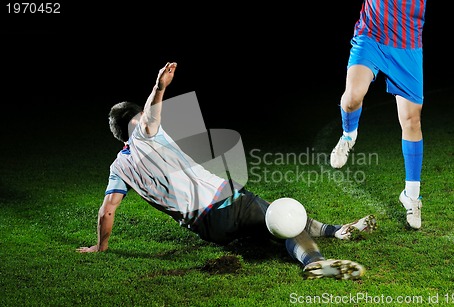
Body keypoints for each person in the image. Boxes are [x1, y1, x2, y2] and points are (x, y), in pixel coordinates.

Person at [76, 61, 377, 280]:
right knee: (285, 219)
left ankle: (336, 231)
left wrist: (100, 247)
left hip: (206, 228)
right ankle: (315, 261)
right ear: (137, 118)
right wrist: (159, 87)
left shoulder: (119, 167)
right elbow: (149, 119)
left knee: (268, 219)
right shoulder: (144, 131)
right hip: (224, 202)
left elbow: (107, 211)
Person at [330, 0, 427, 229]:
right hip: (372, 37)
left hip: (408, 45)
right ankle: (348, 135)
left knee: (412, 119)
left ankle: (411, 195)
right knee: (353, 96)